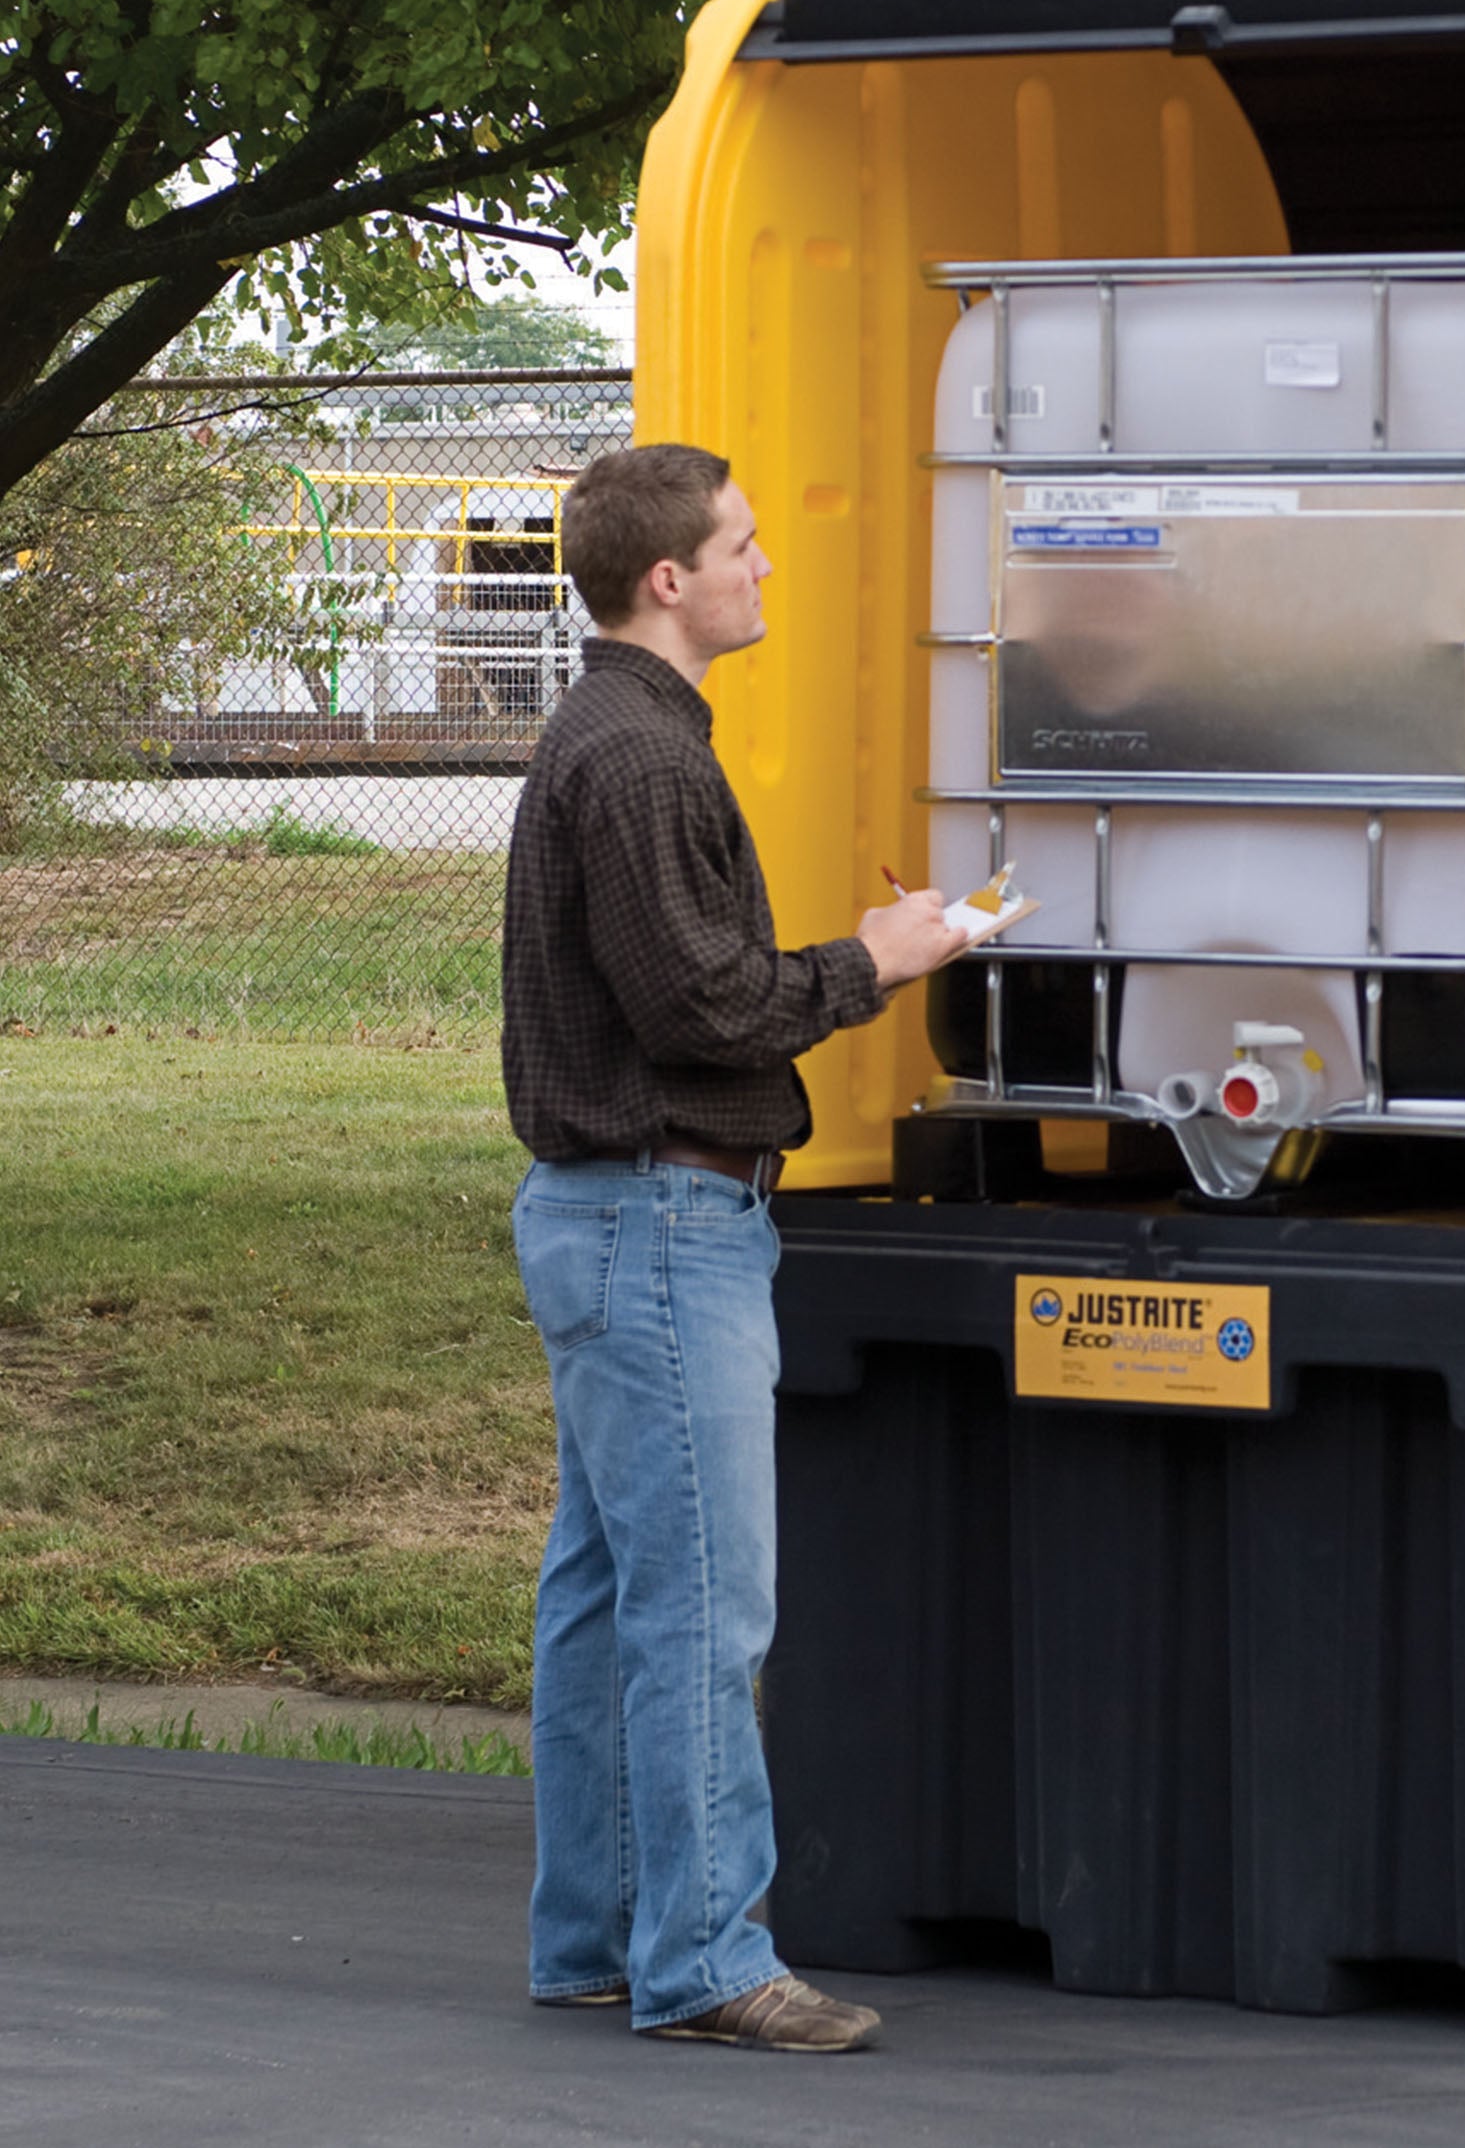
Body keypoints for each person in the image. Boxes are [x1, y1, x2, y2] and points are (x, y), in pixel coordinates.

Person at [500, 441, 962, 2051]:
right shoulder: (639, 763)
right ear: (670, 580)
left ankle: (596, 1939)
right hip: (661, 1215)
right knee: (702, 1608)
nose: (770, 567)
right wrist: (877, 962)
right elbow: (694, 1002)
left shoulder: (620, 737)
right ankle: (705, 1961)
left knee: (608, 1594)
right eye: (746, 547)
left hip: (610, 1216)